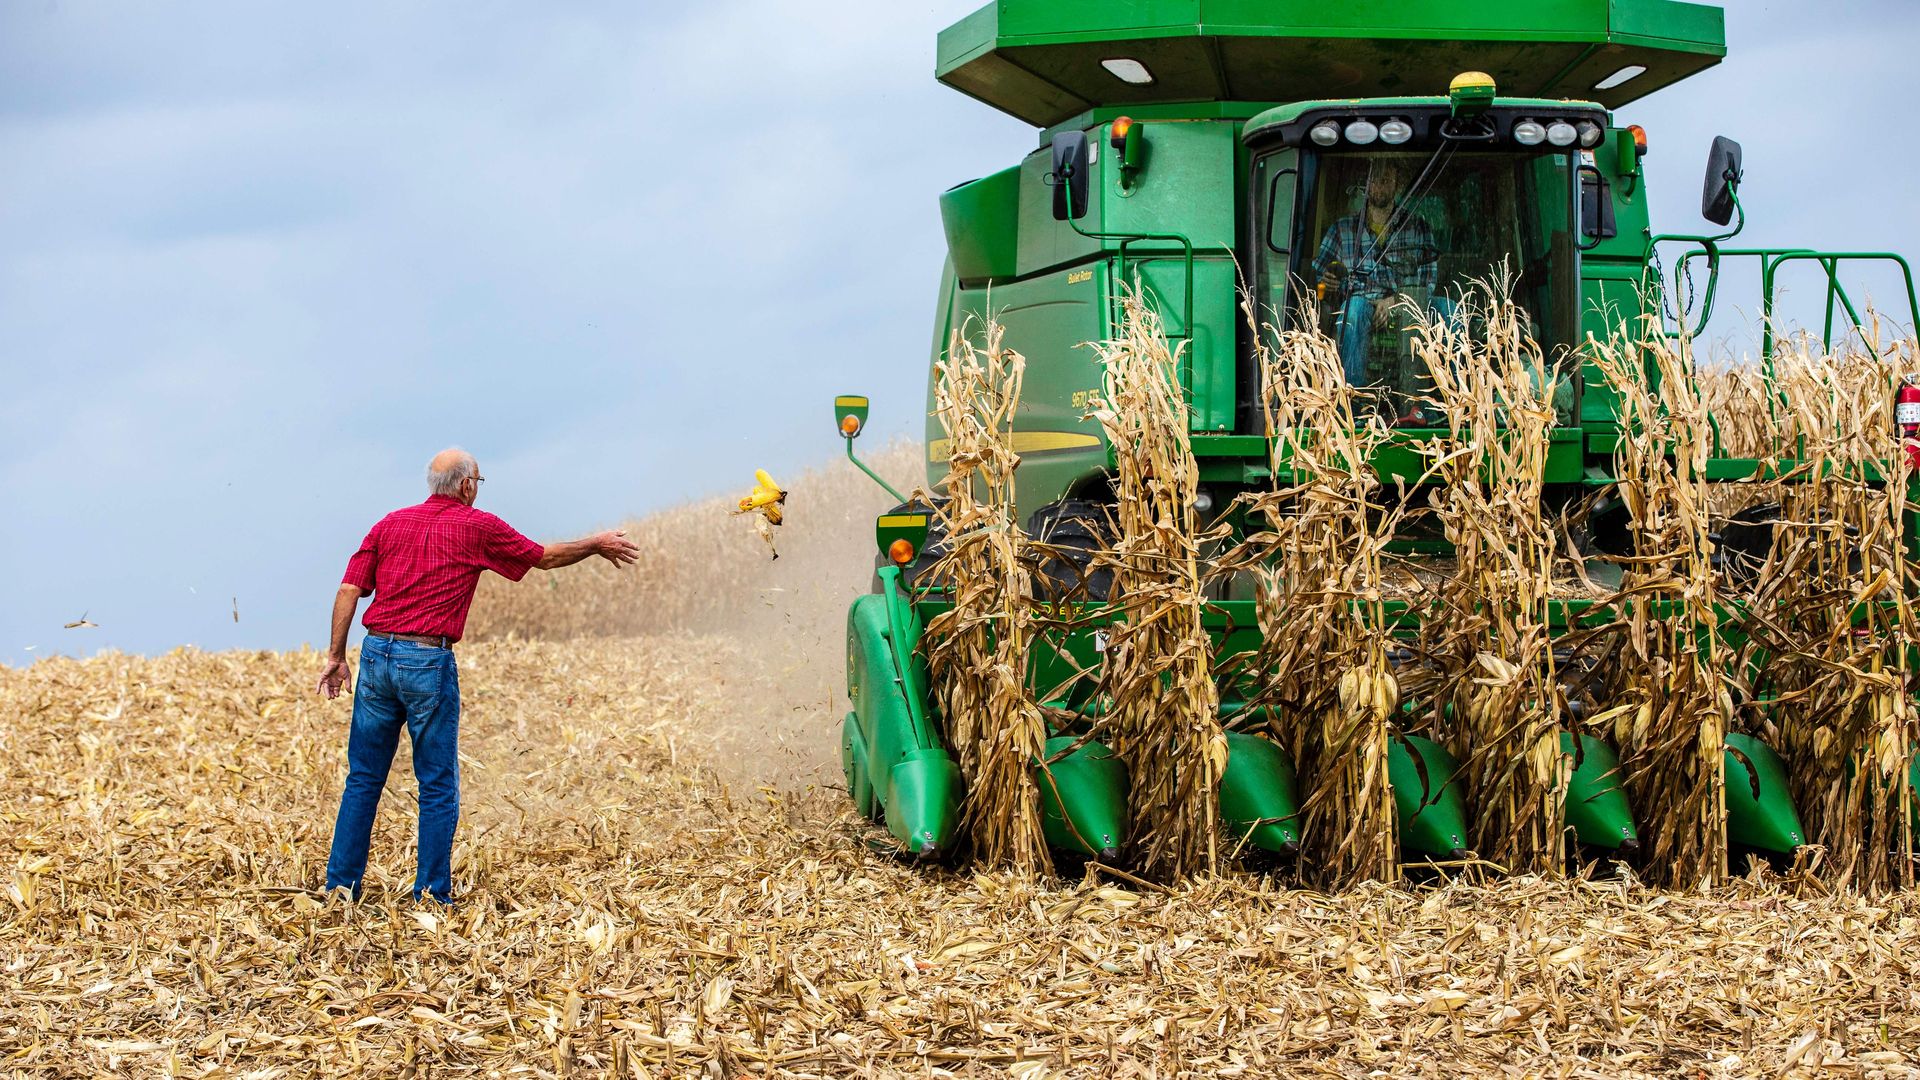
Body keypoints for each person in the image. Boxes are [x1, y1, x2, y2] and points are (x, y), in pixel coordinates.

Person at [315, 447, 640, 904]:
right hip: (426, 660)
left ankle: (340, 888)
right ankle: (430, 894)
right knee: (437, 784)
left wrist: (335, 654)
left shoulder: (389, 523)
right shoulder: (477, 526)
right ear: (467, 485)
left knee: (363, 778)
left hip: (375, 655)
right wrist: (596, 543)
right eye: (479, 482)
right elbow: (542, 557)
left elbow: (350, 587)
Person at [1312, 160, 1443, 408]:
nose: (1378, 186)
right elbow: (1318, 277)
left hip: (1408, 303)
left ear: (1397, 184)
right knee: (1353, 311)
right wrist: (1326, 282)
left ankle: (1452, 403)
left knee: (1448, 308)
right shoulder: (1342, 229)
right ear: (1365, 184)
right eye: (1374, 180)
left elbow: (1427, 281)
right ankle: (1353, 403)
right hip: (1362, 303)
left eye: (1385, 180)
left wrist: (1395, 300)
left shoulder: (1417, 227)